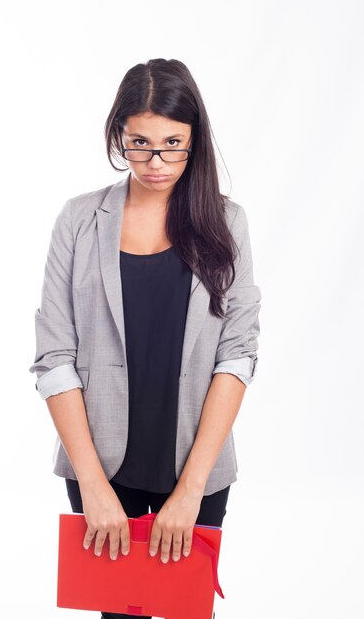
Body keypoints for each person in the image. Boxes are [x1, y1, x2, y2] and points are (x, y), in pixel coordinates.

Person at [28, 58, 261, 619]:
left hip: (196, 469)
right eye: (139, 143)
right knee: (119, 615)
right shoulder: (80, 220)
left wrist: (191, 491)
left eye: (173, 144)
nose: (156, 162)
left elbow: (238, 354)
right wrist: (93, 486)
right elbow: (54, 357)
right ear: (118, 135)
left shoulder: (226, 222)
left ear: (195, 140)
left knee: (183, 612)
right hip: (102, 471)